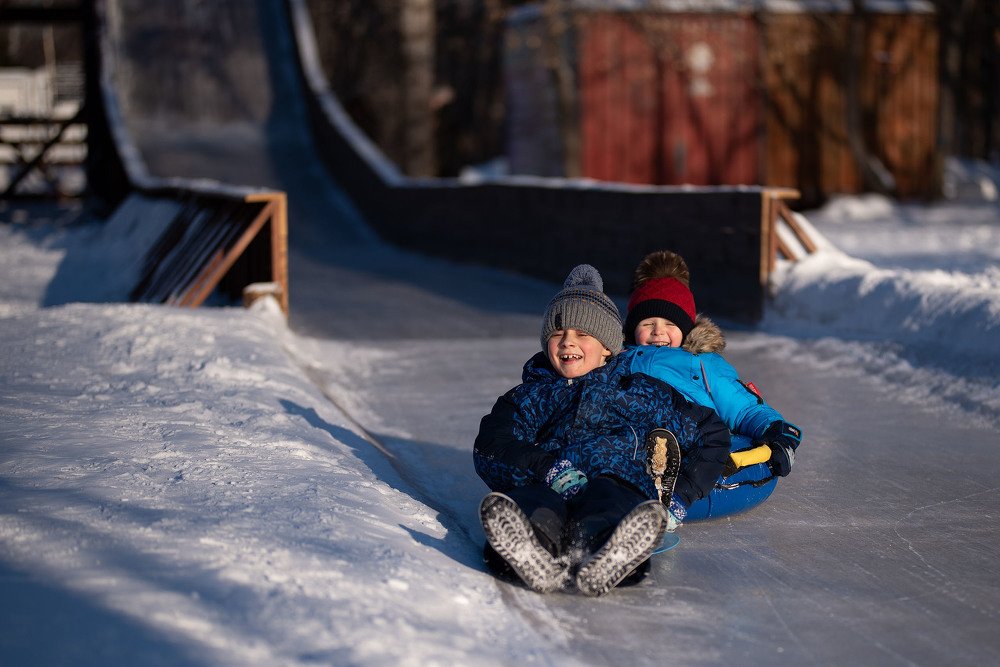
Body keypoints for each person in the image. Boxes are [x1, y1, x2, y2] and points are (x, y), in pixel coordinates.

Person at [474, 264, 731, 596]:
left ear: (608, 345)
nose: (568, 342)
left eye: (582, 334)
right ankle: (530, 550)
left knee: (611, 505)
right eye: (557, 333)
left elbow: (711, 434)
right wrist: (546, 467)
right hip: (548, 481)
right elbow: (492, 445)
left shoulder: (640, 392)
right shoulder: (530, 395)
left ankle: (609, 553)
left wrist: (680, 495)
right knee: (533, 504)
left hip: (617, 482)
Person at [622, 250, 803, 520]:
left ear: (685, 328)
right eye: (648, 323)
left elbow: (743, 408)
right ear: (633, 328)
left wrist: (775, 432)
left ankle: (669, 491)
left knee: (739, 458)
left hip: (695, 443)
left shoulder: (701, 363)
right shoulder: (620, 358)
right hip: (632, 441)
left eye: (670, 323)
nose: (658, 331)